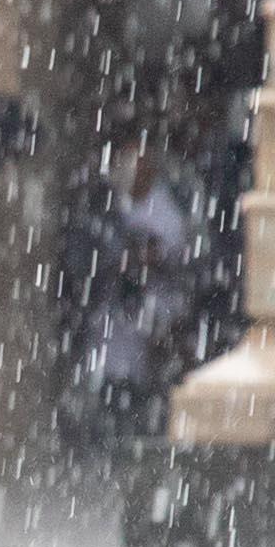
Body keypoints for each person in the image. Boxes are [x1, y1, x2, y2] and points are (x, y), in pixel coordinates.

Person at [61, 139, 198, 451]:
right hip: (111, 333)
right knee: (106, 407)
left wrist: (152, 259)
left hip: (154, 322)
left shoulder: (168, 211)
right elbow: (91, 254)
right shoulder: (108, 205)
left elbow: (182, 261)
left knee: (142, 410)